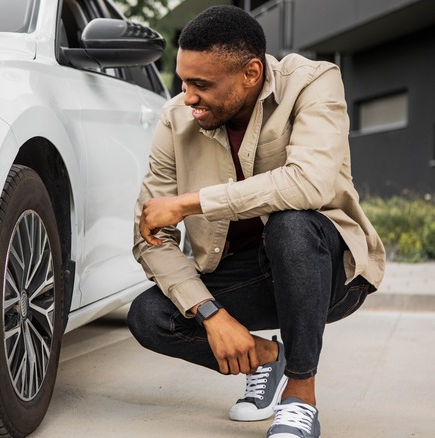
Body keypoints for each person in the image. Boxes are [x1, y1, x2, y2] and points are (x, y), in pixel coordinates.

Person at [127, 5, 385, 438]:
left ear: (250, 73)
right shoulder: (176, 118)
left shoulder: (314, 83)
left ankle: (300, 396)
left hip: (328, 272)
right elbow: (152, 234)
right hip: (246, 275)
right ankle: (269, 358)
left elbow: (309, 183)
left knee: (291, 224)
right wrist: (211, 314)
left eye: (201, 85)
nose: (188, 96)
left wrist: (192, 203)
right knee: (149, 315)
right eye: (184, 81)